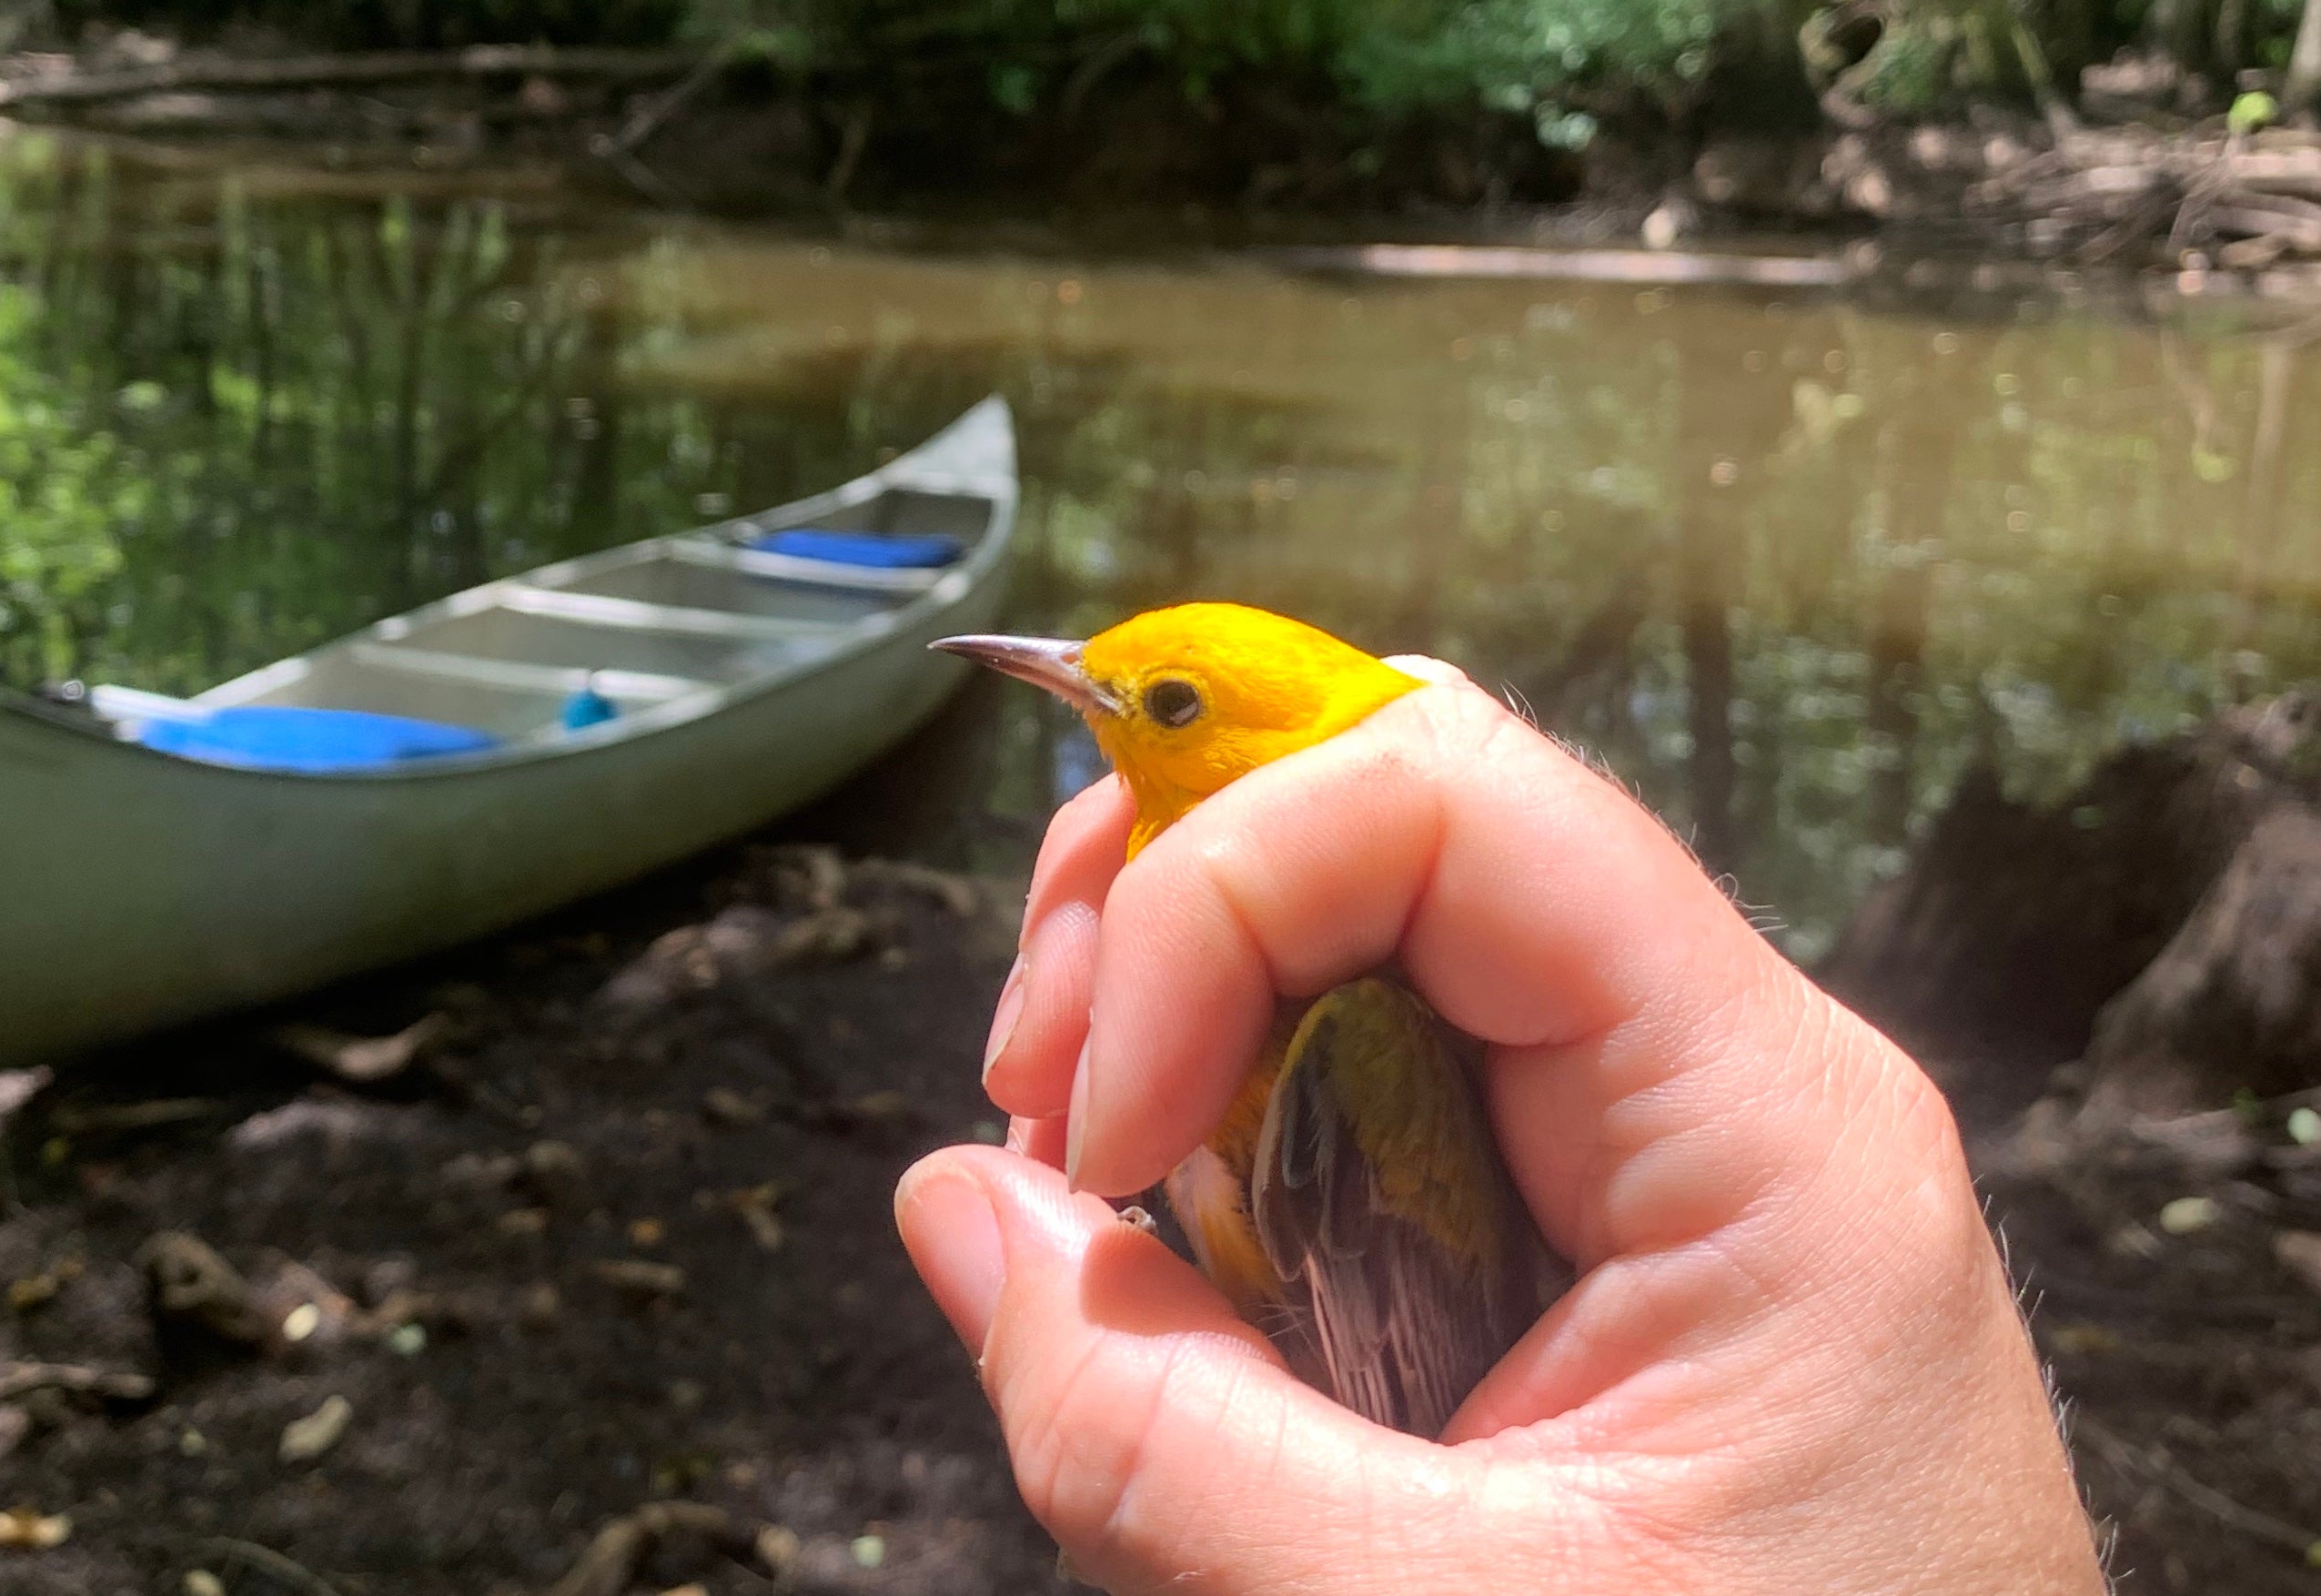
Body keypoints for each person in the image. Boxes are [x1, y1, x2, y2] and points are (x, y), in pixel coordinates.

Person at [895, 660, 2107, 1594]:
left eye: (1162, 700)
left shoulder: (1360, 1045)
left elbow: (1401, 1412)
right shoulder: (1257, 946)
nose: (1074, 684)